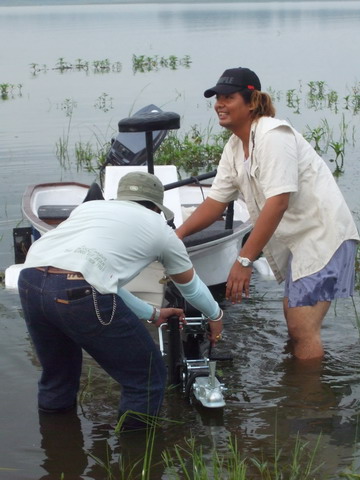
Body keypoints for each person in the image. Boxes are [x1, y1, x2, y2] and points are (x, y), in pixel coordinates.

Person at [176, 67, 359, 361]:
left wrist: (244, 259)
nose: (219, 104)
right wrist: (177, 236)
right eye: (217, 98)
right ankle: (300, 390)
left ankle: (310, 402)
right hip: (299, 242)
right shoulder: (235, 146)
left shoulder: (274, 136)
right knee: (296, 325)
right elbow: (215, 203)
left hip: (323, 236)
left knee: (302, 328)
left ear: (252, 102)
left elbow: (278, 202)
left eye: (229, 97)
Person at [18, 171, 223, 429]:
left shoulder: (90, 208)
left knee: (58, 377)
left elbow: (99, 280)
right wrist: (216, 316)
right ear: (156, 208)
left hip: (30, 281)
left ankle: (57, 450)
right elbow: (191, 288)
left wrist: (153, 313)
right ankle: (136, 458)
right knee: (147, 377)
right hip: (78, 291)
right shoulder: (161, 230)